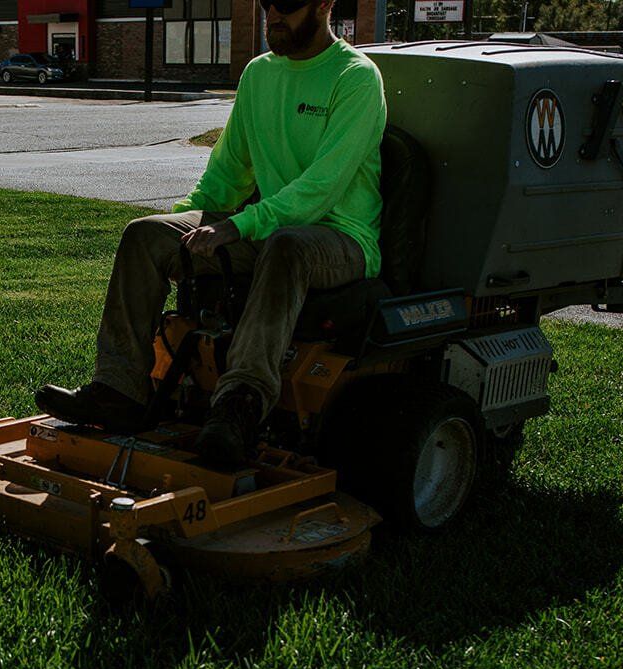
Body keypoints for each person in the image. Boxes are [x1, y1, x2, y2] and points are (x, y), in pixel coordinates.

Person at [35, 0, 387, 465]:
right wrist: (181, 228)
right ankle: (119, 390)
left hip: (340, 237)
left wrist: (238, 225)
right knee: (145, 235)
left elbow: (321, 189)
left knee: (286, 247)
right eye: (266, 5)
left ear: (324, 5)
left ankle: (238, 408)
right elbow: (227, 174)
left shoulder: (356, 78)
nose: (273, 17)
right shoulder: (259, 74)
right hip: (272, 226)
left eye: (287, 6)